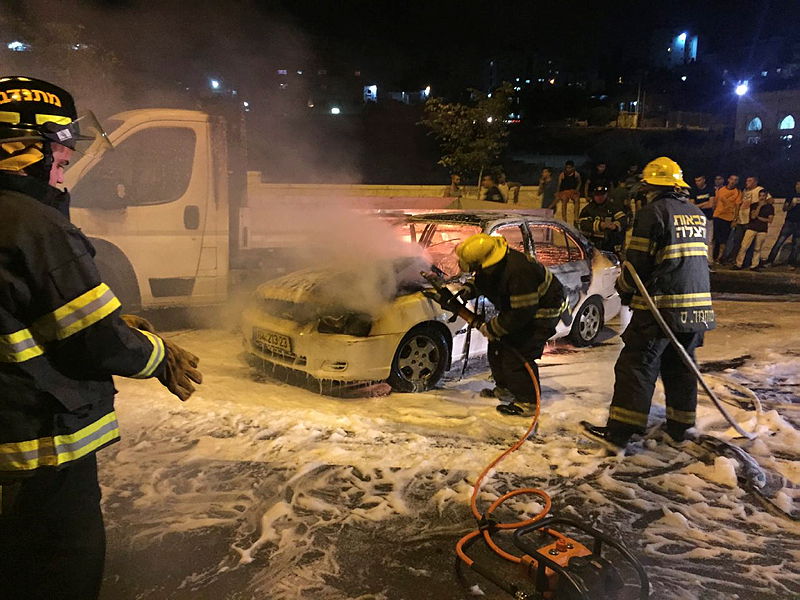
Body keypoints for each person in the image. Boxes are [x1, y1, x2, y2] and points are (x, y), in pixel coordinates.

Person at [0, 76, 203, 600]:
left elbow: (36, 314)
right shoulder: (32, 224)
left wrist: (115, 324)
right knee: (58, 572)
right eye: (58, 141)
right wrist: (158, 355)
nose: (66, 152)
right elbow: (93, 338)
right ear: (14, 146)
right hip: (40, 448)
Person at [584, 157, 715, 449]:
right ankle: (681, 427)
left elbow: (637, 267)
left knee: (636, 365)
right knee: (681, 366)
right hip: (697, 309)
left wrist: (624, 290)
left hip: (661, 308)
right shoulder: (695, 213)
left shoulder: (652, 213)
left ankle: (621, 432)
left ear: (652, 187)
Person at [455, 233, 567, 414]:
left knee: (517, 354)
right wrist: (470, 289)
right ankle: (506, 389)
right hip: (521, 309)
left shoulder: (519, 272)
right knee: (497, 347)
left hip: (542, 312)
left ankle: (527, 402)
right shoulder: (497, 262)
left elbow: (522, 313)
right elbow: (484, 278)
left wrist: (492, 328)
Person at [577, 185, 628, 255]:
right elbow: (582, 224)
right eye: (597, 195)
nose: (600, 197)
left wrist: (615, 225)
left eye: (602, 195)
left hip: (611, 247)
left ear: (606, 195)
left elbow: (623, 219)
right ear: (593, 196)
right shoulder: (588, 209)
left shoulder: (613, 207)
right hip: (592, 246)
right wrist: (600, 225)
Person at [723, 175, 762, 264]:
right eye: (747, 180)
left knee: (748, 244)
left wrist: (757, 207)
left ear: (755, 182)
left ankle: (746, 261)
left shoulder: (759, 190)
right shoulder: (744, 191)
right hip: (741, 220)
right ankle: (734, 259)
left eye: (750, 181)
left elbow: (770, 200)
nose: (747, 182)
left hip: (750, 221)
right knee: (737, 241)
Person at [734, 189, 774, 271]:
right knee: (744, 246)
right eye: (760, 196)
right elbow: (753, 216)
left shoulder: (770, 207)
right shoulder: (754, 205)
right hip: (752, 227)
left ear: (766, 196)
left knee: (757, 248)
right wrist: (759, 207)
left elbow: (770, 220)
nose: (762, 198)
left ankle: (754, 265)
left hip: (762, 229)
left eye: (763, 196)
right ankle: (738, 264)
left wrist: (759, 218)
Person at [765, 180, 800, 270]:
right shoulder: (791, 196)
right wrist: (792, 205)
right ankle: (769, 261)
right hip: (789, 222)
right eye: (797, 184)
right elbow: (784, 208)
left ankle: (792, 263)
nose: (798, 186)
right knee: (779, 241)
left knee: (796, 244)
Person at [711, 175, 741, 263]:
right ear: (728, 180)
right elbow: (715, 202)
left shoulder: (737, 192)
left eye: (735, 180)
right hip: (717, 216)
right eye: (731, 179)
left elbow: (737, 207)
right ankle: (712, 256)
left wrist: (735, 219)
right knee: (714, 238)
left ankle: (719, 258)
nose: (733, 181)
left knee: (723, 240)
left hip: (727, 218)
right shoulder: (721, 190)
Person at [691, 175, 715, 260]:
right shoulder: (694, 191)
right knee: (697, 240)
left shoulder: (710, 190)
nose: (698, 183)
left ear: (704, 180)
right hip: (697, 219)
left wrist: (698, 205)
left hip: (708, 218)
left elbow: (711, 205)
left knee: (709, 240)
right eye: (696, 181)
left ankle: (709, 261)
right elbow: (692, 206)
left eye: (699, 180)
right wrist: (705, 203)